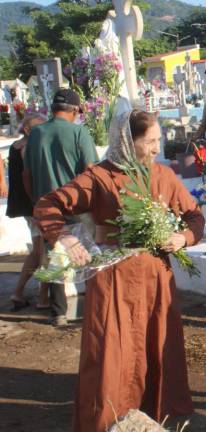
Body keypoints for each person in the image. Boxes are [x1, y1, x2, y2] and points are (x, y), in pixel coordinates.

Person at [34, 110, 204, 432]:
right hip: (113, 278)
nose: (157, 148)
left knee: (156, 346)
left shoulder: (163, 175)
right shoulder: (99, 177)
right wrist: (65, 236)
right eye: (150, 141)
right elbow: (48, 204)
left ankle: (155, 416)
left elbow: (195, 216)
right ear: (128, 141)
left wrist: (183, 237)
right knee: (110, 352)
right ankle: (107, 419)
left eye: (158, 140)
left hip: (156, 277)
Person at [23, 89, 98, 326]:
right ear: (75, 110)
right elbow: (89, 169)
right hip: (75, 204)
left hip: (46, 205)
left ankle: (59, 313)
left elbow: (27, 174)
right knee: (88, 254)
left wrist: (37, 202)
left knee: (56, 257)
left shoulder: (35, 134)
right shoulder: (78, 132)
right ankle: (95, 307)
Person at [7, 113, 48, 311]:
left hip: (24, 206)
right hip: (33, 205)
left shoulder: (16, 147)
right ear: (30, 130)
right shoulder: (26, 148)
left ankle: (22, 292)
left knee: (39, 249)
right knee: (42, 251)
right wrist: (37, 202)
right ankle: (40, 296)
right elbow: (27, 176)